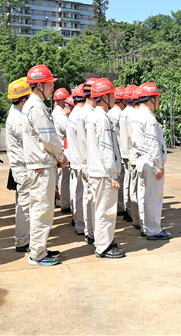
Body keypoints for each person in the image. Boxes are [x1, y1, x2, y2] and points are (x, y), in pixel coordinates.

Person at [21, 65, 67, 266]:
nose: (52, 87)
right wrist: (61, 156)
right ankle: (37, 254)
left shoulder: (33, 105)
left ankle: (39, 249)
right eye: (49, 84)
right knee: (42, 210)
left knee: (41, 209)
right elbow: (48, 138)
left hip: (40, 164)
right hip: (41, 165)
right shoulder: (36, 107)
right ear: (39, 85)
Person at [86, 78, 125, 258]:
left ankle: (103, 241)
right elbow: (106, 148)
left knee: (100, 209)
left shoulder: (94, 116)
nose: (114, 98)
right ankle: (104, 247)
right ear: (104, 97)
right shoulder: (101, 119)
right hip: (103, 173)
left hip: (97, 171)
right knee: (106, 210)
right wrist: (112, 174)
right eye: (111, 95)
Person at [131, 82, 171, 240]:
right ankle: (153, 230)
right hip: (150, 161)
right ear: (151, 99)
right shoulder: (148, 118)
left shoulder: (137, 115)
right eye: (157, 98)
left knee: (144, 197)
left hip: (142, 160)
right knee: (153, 198)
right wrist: (158, 165)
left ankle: (146, 226)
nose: (159, 102)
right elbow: (153, 143)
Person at [6, 78, 33, 253]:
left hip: (21, 167)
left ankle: (24, 238)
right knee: (25, 205)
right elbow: (29, 142)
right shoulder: (18, 119)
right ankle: (22, 241)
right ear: (24, 99)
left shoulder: (16, 114)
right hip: (22, 168)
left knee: (24, 203)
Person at [79, 78, 99, 244]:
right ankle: (93, 232)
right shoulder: (90, 115)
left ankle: (89, 231)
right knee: (94, 200)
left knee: (88, 198)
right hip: (91, 163)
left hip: (84, 161)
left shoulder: (81, 112)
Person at [65, 84, 87, 237]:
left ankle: (77, 220)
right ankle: (81, 224)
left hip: (75, 159)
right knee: (81, 195)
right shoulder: (80, 115)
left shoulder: (74, 114)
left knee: (76, 192)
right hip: (80, 160)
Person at [119, 85, 140, 230]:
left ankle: (128, 208)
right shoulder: (132, 113)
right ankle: (133, 212)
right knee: (133, 184)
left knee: (127, 181)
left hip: (125, 151)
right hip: (131, 152)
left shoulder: (124, 112)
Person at [107, 87, 128, 218]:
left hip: (114, 151)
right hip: (120, 150)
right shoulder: (120, 114)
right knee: (122, 181)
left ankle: (118, 205)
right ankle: (121, 206)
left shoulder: (109, 113)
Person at [52, 88, 72, 213]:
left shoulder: (57, 113)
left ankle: (62, 201)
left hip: (60, 149)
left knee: (61, 179)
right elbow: (69, 133)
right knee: (64, 179)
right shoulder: (61, 116)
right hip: (62, 149)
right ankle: (64, 203)